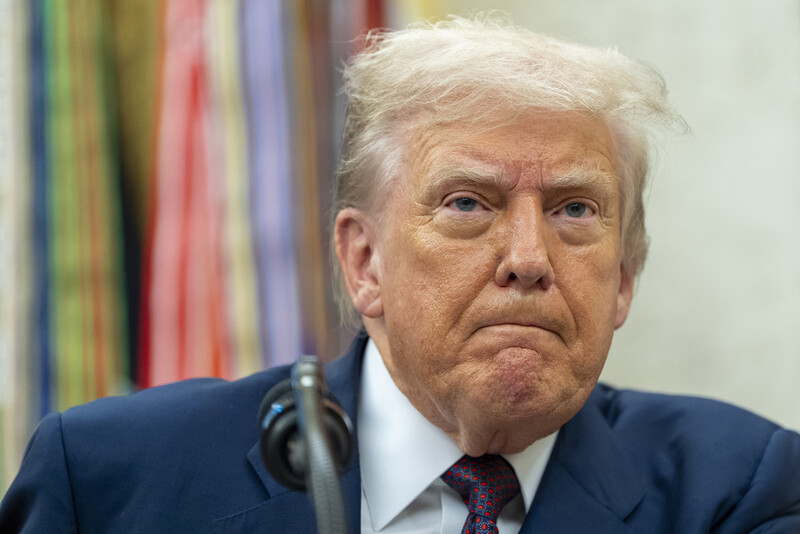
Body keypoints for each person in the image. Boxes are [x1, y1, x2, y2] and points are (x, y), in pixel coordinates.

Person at [2, 14, 799, 534]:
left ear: (624, 277)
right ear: (363, 261)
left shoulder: (741, 492)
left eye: (576, 212)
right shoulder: (111, 485)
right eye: (466, 202)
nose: (528, 258)